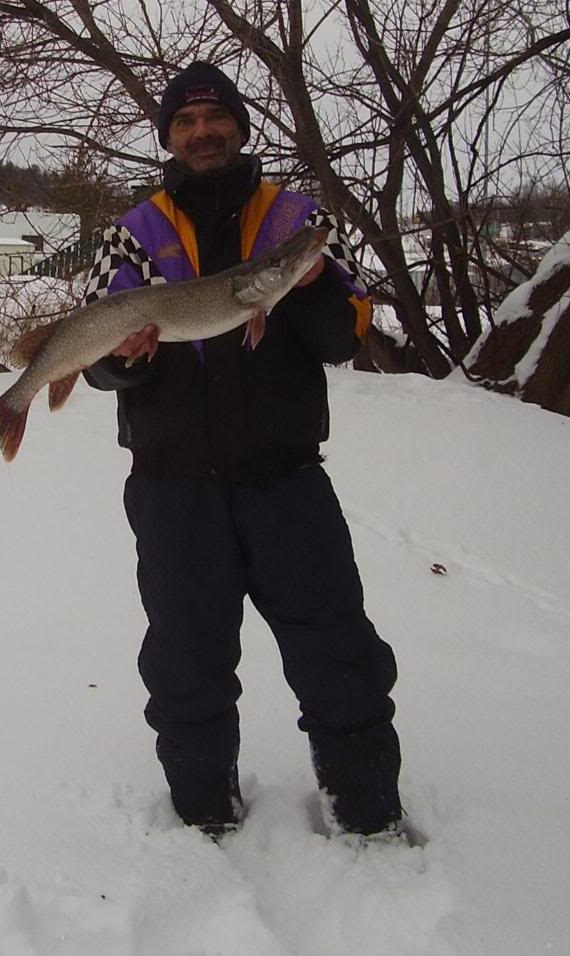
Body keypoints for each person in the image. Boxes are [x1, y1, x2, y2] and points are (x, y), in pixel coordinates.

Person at [83, 61, 403, 841]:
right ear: (167, 136)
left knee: (338, 651)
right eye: (185, 122)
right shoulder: (133, 229)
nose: (201, 132)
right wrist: (124, 354)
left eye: (214, 117)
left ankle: (367, 817)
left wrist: (311, 282)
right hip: (172, 486)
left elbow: (343, 337)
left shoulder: (297, 220)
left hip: (284, 480)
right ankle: (203, 817)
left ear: (239, 126)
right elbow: (96, 363)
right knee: (185, 662)